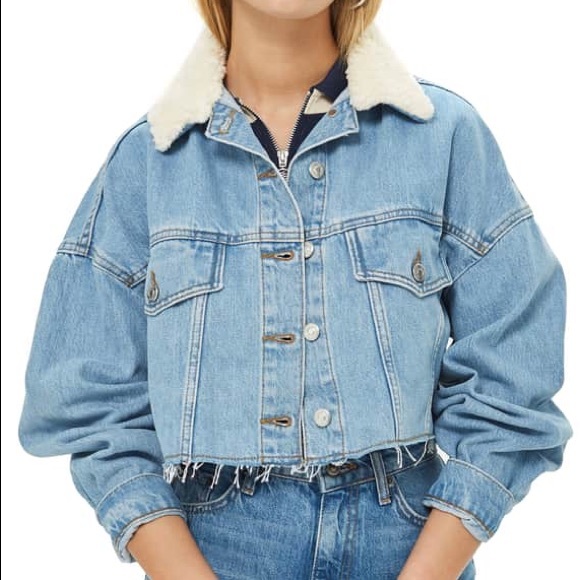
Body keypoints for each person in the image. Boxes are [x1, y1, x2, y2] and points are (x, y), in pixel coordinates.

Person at [18, 0, 573, 578]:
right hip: (214, 552)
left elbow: (515, 371)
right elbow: (91, 403)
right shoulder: (149, 161)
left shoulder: (443, 135)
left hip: (411, 545)